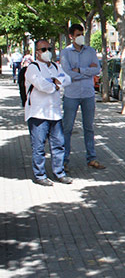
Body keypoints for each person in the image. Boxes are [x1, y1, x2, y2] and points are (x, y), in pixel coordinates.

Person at [25, 39, 73, 186]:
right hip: (38, 114)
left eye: (49, 48)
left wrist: (55, 82)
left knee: (59, 144)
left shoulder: (54, 66)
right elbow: (42, 85)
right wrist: (56, 84)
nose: (47, 52)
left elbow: (68, 79)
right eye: (43, 49)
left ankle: (59, 172)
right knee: (39, 146)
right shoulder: (33, 68)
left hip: (55, 113)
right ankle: (40, 175)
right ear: (37, 52)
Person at [60, 24, 105, 171]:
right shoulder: (65, 53)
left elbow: (97, 69)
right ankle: (64, 160)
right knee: (67, 128)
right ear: (71, 36)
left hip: (88, 94)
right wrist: (87, 72)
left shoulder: (90, 51)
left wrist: (80, 70)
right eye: (78, 34)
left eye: (82, 34)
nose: (81, 37)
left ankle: (91, 158)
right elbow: (67, 73)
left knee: (89, 127)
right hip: (71, 94)